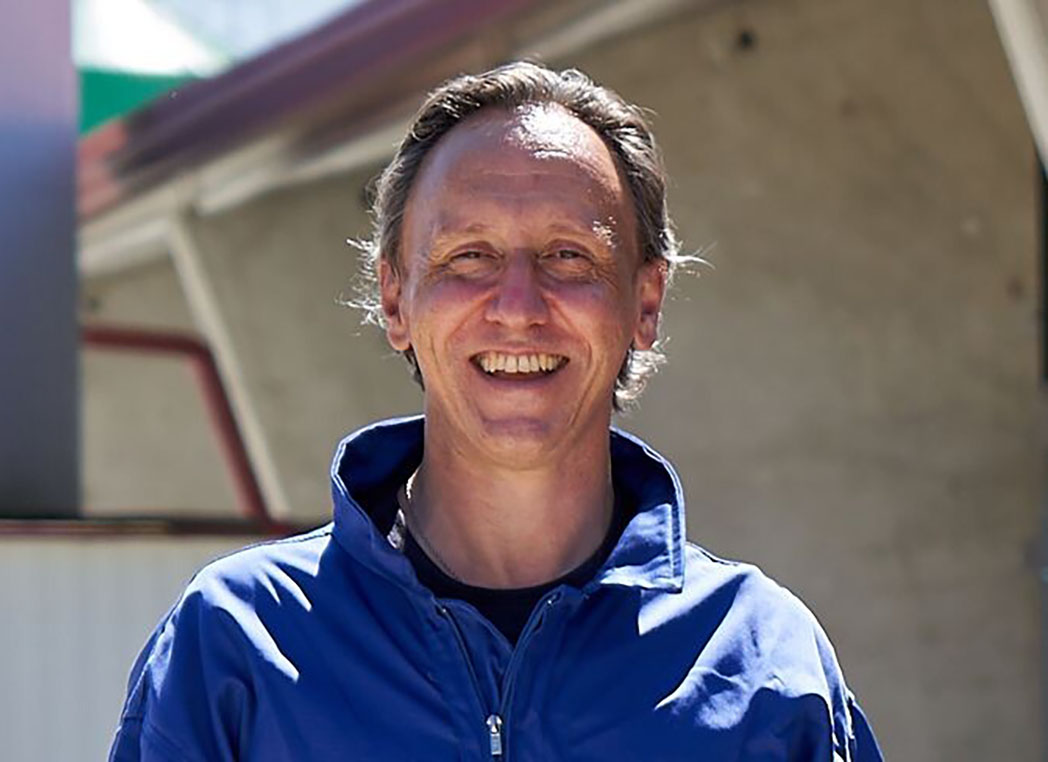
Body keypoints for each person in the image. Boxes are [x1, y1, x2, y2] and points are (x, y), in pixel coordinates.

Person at [109, 62, 883, 761]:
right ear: (395, 300)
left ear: (645, 302)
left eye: (569, 257)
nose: (518, 307)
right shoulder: (237, 643)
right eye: (468, 257)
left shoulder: (762, 663)